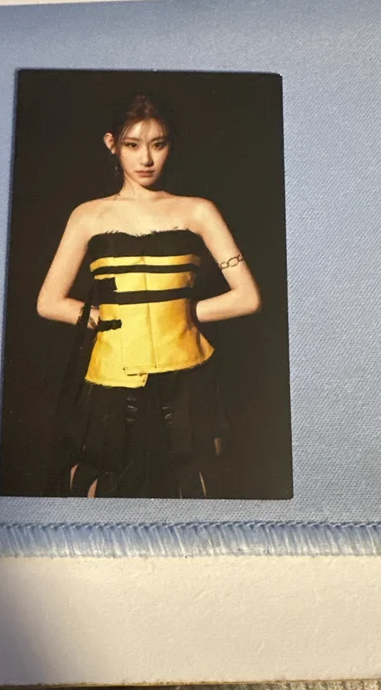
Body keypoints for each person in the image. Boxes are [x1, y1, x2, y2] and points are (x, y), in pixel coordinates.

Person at [37, 92, 261, 499]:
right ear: (111, 144)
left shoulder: (198, 211)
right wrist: (105, 318)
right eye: (132, 145)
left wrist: (180, 313)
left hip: (187, 377)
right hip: (109, 376)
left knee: (196, 478)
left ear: (171, 145)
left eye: (158, 144)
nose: (146, 159)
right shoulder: (88, 215)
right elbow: (49, 302)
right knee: (99, 478)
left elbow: (247, 297)